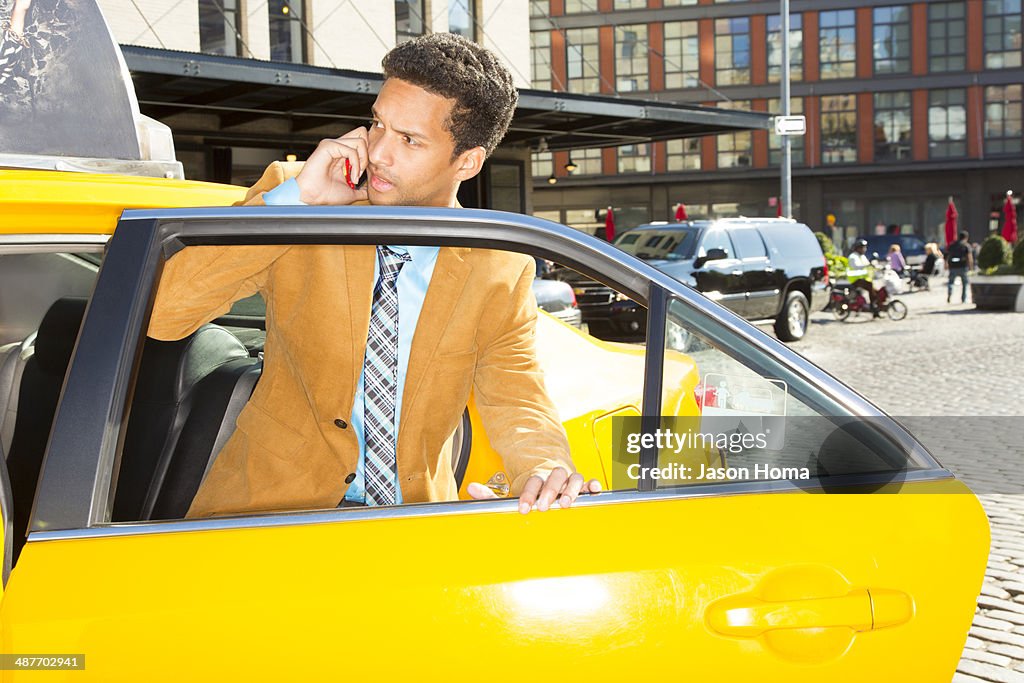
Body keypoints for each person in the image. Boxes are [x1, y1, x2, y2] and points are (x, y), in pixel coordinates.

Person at [148, 33, 600, 518]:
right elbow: (161, 314)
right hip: (267, 516)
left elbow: (517, 396)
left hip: (409, 526)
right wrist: (297, 206)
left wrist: (541, 467)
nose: (379, 152)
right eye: (377, 124)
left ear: (466, 161)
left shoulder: (499, 268)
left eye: (409, 139)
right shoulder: (298, 201)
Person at [847, 239, 880, 317]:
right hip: (854, 279)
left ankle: (875, 308)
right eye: (862, 248)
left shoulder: (862, 256)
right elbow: (855, 266)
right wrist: (867, 265)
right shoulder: (853, 256)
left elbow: (868, 264)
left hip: (862, 279)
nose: (864, 249)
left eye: (865, 247)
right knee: (870, 287)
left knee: (875, 291)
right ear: (857, 248)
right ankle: (872, 306)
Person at [945, 230, 973, 303]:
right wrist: (971, 267)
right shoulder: (966, 245)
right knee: (964, 284)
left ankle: (949, 295)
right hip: (963, 266)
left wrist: (946, 264)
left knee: (951, 282)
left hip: (953, 266)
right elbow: (969, 257)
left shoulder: (952, 245)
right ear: (966, 237)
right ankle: (963, 299)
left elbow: (947, 255)